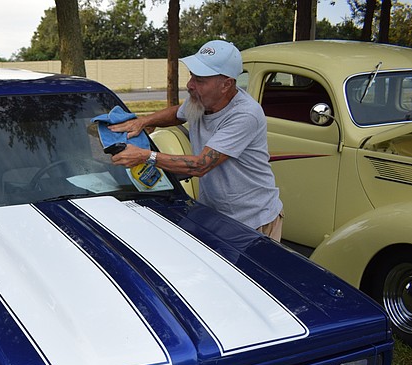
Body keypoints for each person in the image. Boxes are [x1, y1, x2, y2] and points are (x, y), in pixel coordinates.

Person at [108, 40, 284, 241]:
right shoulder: (202, 102)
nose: (190, 85)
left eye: (200, 80)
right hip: (218, 215)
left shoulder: (245, 115)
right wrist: (144, 121)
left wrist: (146, 156)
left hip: (254, 222)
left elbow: (201, 165)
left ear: (226, 84)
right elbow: (178, 113)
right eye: (192, 76)